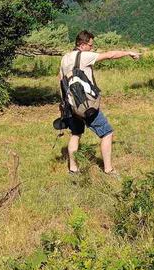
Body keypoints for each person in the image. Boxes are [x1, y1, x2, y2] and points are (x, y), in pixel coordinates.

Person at [58, 30, 140, 175]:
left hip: (71, 104)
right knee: (107, 133)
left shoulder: (65, 58)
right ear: (82, 45)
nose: (92, 48)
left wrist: (64, 104)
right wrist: (128, 53)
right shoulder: (85, 56)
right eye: (90, 45)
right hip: (86, 106)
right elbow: (110, 55)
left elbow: (61, 80)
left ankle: (73, 169)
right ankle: (108, 169)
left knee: (75, 134)